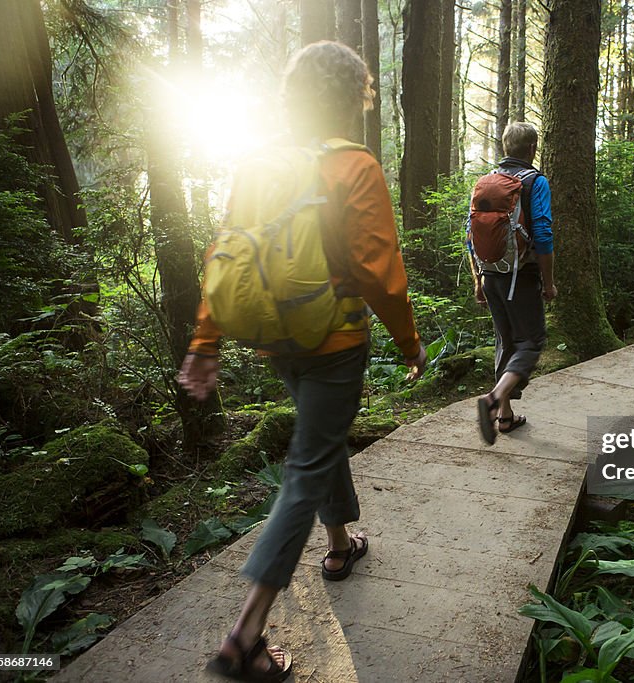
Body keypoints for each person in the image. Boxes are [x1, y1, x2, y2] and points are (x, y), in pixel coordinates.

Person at [177, 41, 426, 682]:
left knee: (321, 440)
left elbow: (226, 253)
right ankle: (246, 634)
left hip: (276, 339)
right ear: (353, 97)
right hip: (335, 339)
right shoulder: (354, 166)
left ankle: (340, 548)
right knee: (306, 467)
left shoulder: (259, 163)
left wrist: (206, 341)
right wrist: (408, 340)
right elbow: (378, 269)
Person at [471, 122, 557, 445]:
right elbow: (544, 234)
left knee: (504, 340)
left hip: (491, 274)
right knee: (531, 342)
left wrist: (478, 280)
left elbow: (471, 234)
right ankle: (493, 401)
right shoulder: (535, 182)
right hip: (520, 276)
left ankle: (506, 418)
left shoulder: (485, 183)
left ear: (506, 148)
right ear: (532, 149)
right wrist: (549, 283)